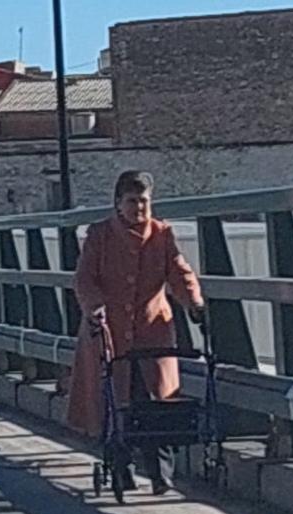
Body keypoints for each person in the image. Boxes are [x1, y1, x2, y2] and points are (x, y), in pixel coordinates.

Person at [67, 170, 205, 495]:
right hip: (108, 332)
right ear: (118, 204)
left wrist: (194, 302)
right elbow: (85, 280)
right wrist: (94, 308)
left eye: (144, 202)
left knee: (156, 402)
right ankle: (121, 468)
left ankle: (160, 473)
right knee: (116, 402)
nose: (139, 209)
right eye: (132, 202)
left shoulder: (162, 233)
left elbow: (179, 272)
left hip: (152, 332)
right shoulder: (99, 235)